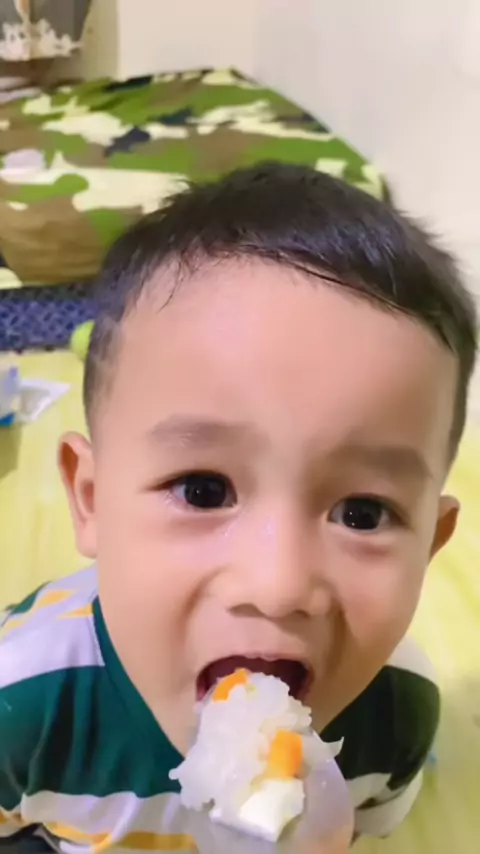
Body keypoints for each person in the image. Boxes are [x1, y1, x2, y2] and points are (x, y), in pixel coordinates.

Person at [0, 163, 477, 852]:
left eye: (363, 513)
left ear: (430, 544)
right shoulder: (22, 700)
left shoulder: (398, 717)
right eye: (203, 490)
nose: (278, 587)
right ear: (92, 501)